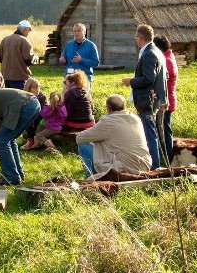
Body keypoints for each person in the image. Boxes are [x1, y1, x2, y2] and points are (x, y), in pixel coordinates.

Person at [122, 24, 167, 170]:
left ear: (140, 37)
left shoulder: (149, 54)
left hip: (147, 100)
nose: (135, 39)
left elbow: (148, 78)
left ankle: (154, 167)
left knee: (149, 134)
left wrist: (131, 81)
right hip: (150, 99)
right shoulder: (155, 51)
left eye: (136, 36)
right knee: (149, 132)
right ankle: (152, 164)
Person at [75, 94, 152, 178]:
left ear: (108, 108)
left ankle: (92, 178)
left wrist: (95, 134)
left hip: (126, 168)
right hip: (145, 165)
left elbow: (80, 138)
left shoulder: (108, 121)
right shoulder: (136, 118)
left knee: (83, 145)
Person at [153, 34, 178, 162]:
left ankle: (168, 156)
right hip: (168, 99)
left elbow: (160, 80)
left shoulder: (166, 60)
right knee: (163, 128)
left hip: (165, 101)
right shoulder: (168, 56)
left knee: (164, 130)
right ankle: (167, 155)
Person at [0, 20, 37, 89]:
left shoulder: (5, 39)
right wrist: (36, 58)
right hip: (20, 78)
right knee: (20, 99)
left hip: (5, 77)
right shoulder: (24, 41)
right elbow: (28, 60)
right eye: (28, 31)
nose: (28, 33)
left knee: (8, 99)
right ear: (25, 29)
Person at [57, 23, 100, 87]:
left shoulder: (91, 46)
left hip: (84, 80)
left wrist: (81, 60)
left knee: (83, 97)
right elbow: (64, 60)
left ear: (84, 32)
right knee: (67, 97)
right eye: (75, 31)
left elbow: (96, 63)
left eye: (79, 30)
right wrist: (62, 61)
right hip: (69, 79)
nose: (76, 33)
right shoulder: (69, 45)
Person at [20, 77, 47, 150]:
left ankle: (31, 140)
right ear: (28, 88)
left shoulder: (41, 97)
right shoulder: (24, 96)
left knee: (31, 118)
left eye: (38, 87)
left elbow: (43, 112)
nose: (37, 90)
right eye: (34, 88)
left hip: (41, 119)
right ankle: (30, 139)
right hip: (31, 118)